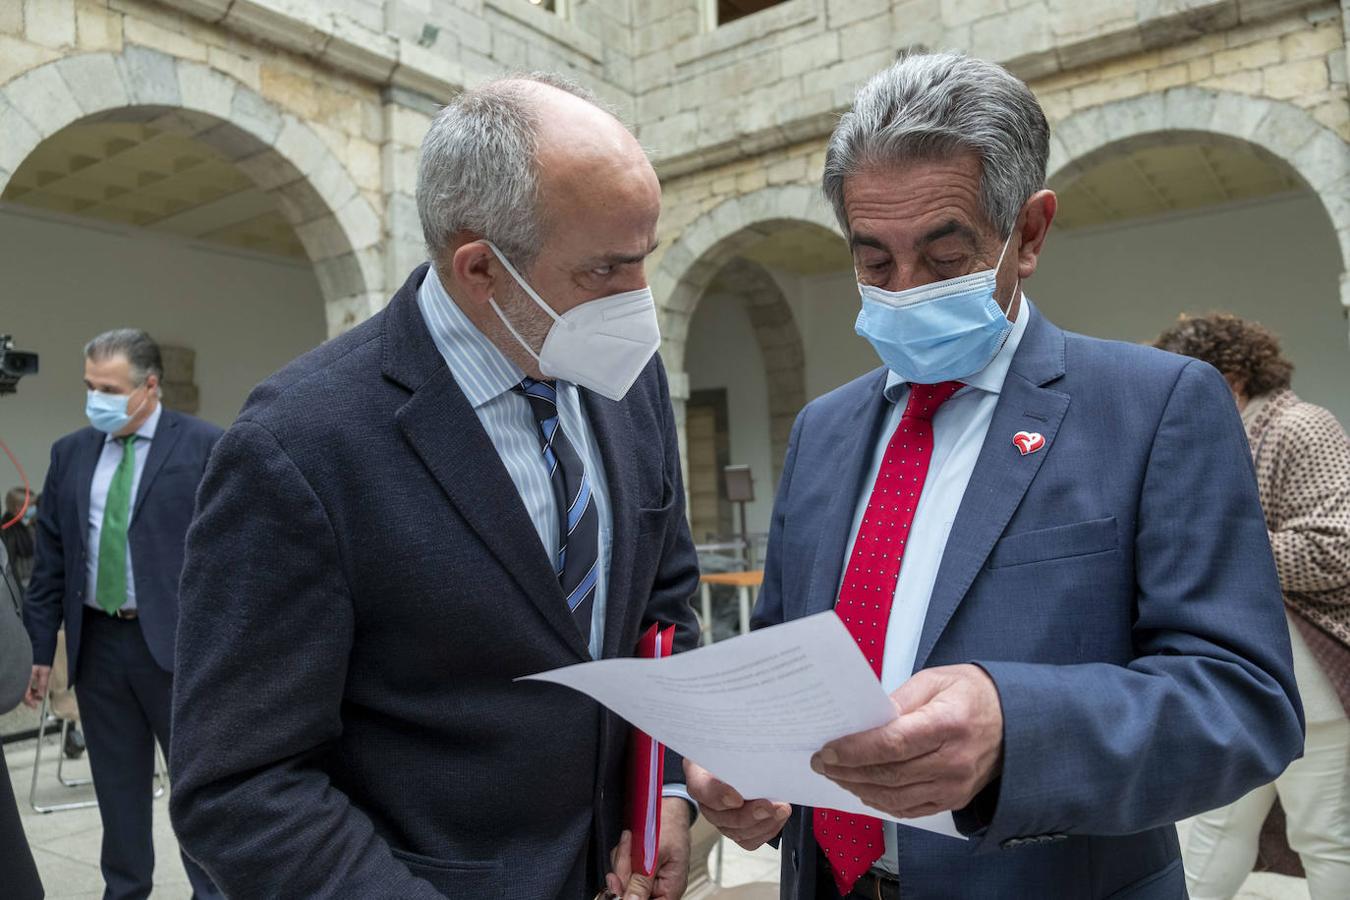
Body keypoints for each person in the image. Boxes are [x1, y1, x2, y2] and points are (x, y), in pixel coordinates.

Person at [685, 51, 1304, 900]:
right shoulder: (823, 431)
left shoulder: (1154, 409)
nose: (903, 292)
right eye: (873, 262)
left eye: (945, 259)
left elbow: (1245, 703)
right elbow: (784, 658)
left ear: (1031, 232)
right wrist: (744, 758)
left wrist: (1018, 729)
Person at [169, 74, 701, 900]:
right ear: (482, 268)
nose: (642, 302)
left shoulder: (625, 380)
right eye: (605, 270)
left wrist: (665, 790)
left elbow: (663, 605)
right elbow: (240, 788)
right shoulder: (298, 446)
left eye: (646, 259)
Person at [1154, 313, 1350, 898]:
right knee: (1215, 826)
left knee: (1324, 834)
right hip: (1247, 673)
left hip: (1310, 674)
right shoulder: (1229, 436)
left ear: (1234, 377)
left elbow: (1340, 544)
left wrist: (1218, 547)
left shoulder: (1300, 427)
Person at [23, 329, 223, 900]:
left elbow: (236, 554)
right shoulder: (70, 453)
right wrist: (41, 650)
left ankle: (212, 893)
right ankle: (126, 889)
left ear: (149, 386)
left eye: (108, 388)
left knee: (198, 789)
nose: (95, 399)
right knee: (117, 789)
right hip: (99, 647)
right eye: (89, 386)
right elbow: (51, 560)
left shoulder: (205, 446)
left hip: (179, 650)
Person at [2, 487, 36, 589]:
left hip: (40, 580)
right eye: (32, 505)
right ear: (18, 509)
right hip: (23, 585)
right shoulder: (7, 532)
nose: (35, 508)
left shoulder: (34, 523)